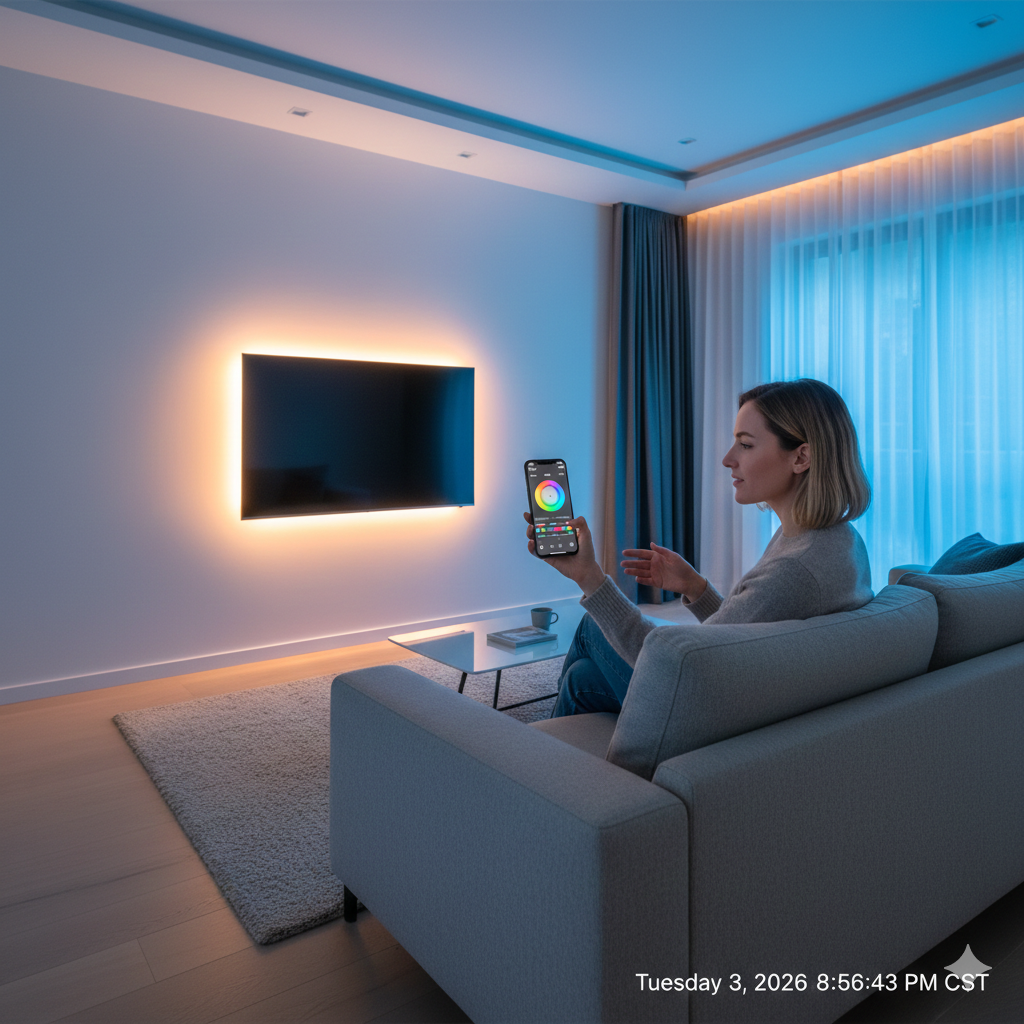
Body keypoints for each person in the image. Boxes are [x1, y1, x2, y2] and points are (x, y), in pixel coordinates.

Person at [525, 378, 874, 717]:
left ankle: (534, 762)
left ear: (801, 458)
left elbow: (682, 665)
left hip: (705, 714)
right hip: (745, 694)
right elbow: (741, 641)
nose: (727, 458)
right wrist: (695, 587)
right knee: (581, 679)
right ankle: (557, 758)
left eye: (746, 445)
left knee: (591, 626)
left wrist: (590, 578)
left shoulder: (794, 570)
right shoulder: (836, 540)